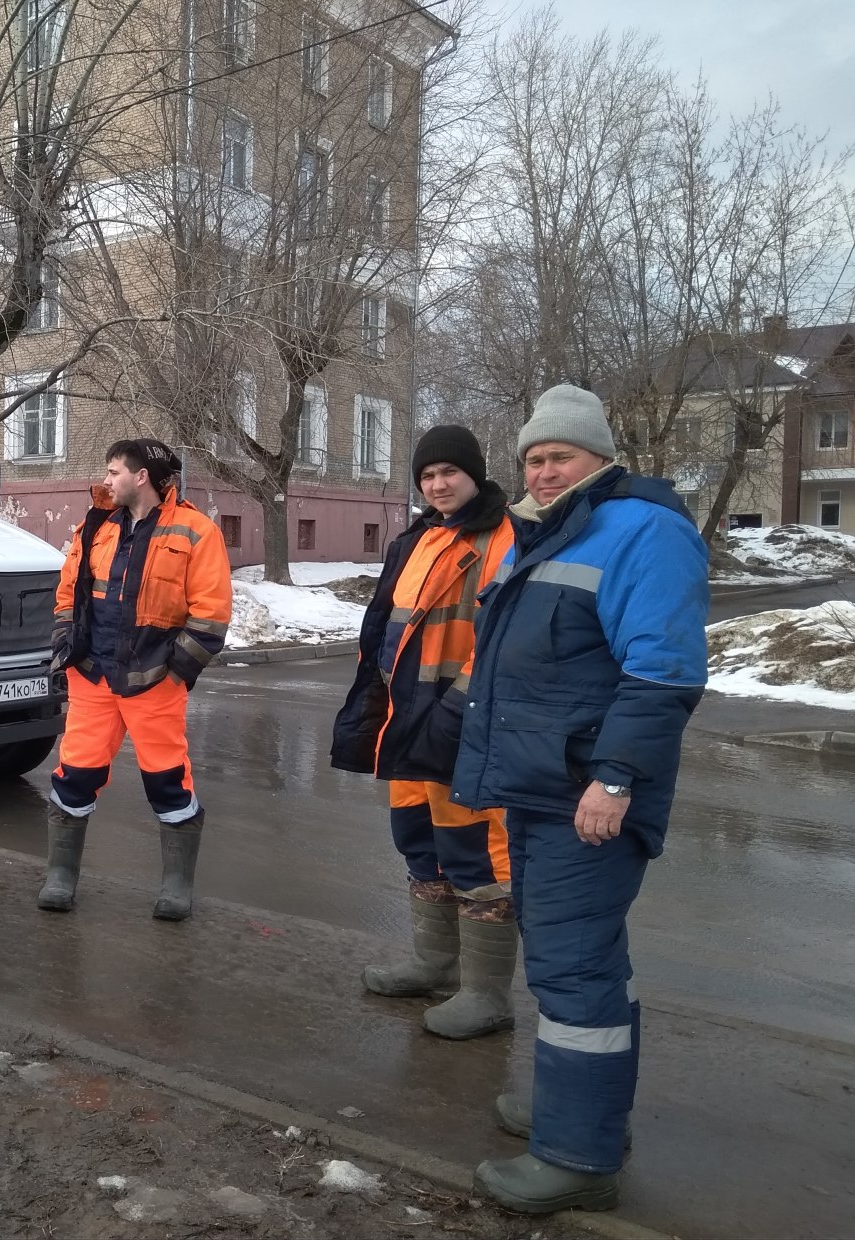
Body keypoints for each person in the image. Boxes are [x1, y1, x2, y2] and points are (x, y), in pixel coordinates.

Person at [451, 385, 708, 1214]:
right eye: (532, 457)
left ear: (600, 456)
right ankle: (581, 1108)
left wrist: (614, 778)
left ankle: (577, 1156)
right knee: (582, 960)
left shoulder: (644, 531)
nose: (544, 469)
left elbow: (662, 672)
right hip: (537, 788)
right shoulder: (546, 530)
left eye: (559, 455)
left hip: (585, 795)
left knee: (572, 966)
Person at [331, 425, 518, 1040]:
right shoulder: (419, 536)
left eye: (449, 473)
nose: (438, 484)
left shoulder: (503, 536)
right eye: (427, 475)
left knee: (475, 851)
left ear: (475, 474)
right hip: (405, 718)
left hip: (460, 718)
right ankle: (436, 964)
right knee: (418, 840)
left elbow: (499, 637)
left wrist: (460, 705)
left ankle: (486, 994)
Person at [38, 439, 232, 921]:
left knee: (167, 782)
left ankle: (175, 888)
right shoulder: (96, 525)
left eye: (113, 471)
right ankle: (60, 877)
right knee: (75, 776)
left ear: (141, 475)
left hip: (154, 683)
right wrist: (67, 638)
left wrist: (175, 672)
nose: (106, 481)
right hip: (93, 679)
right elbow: (68, 591)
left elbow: (211, 616)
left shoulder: (195, 531)